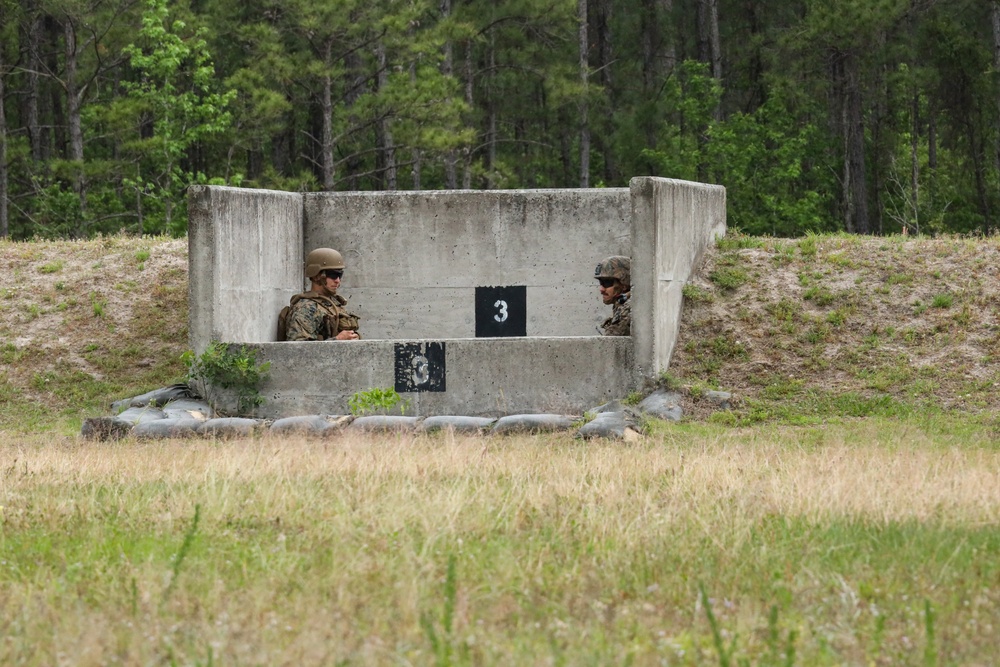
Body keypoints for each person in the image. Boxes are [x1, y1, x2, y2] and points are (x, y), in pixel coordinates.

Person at [283, 248, 361, 341]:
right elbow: (298, 349)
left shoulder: (332, 303)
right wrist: (337, 340)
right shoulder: (305, 308)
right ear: (316, 276)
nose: (337, 280)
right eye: (332, 275)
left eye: (340, 275)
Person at [595, 255, 631, 336]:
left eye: (607, 283)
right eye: (601, 283)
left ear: (624, 284)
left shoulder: (628, 308)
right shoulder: (620, 303)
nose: (601, 289)